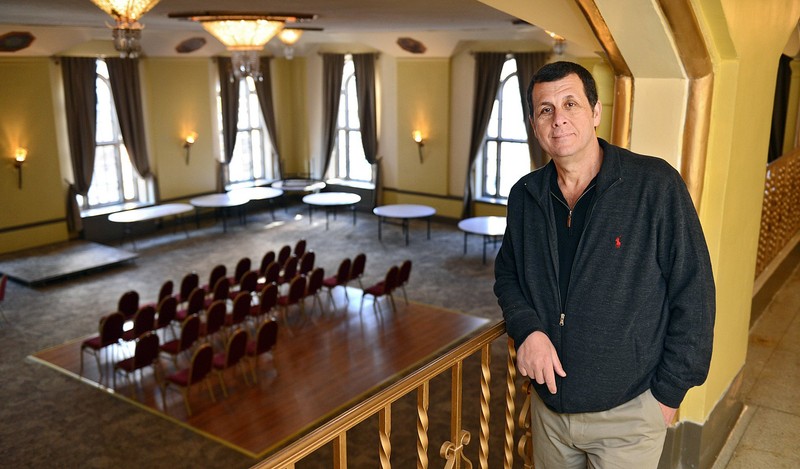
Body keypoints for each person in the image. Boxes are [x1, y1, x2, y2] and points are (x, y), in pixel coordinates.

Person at [494, 61, 715, 468]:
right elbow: (507, 272)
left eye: (571, 103)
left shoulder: (654, 185)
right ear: (533, 122)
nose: (558, 119)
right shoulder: (525, 195)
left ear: (595, 112)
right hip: (550, 414)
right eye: (546, 109)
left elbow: (694, 292)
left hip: (629, 414)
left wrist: (668, 394)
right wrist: (527, 329)